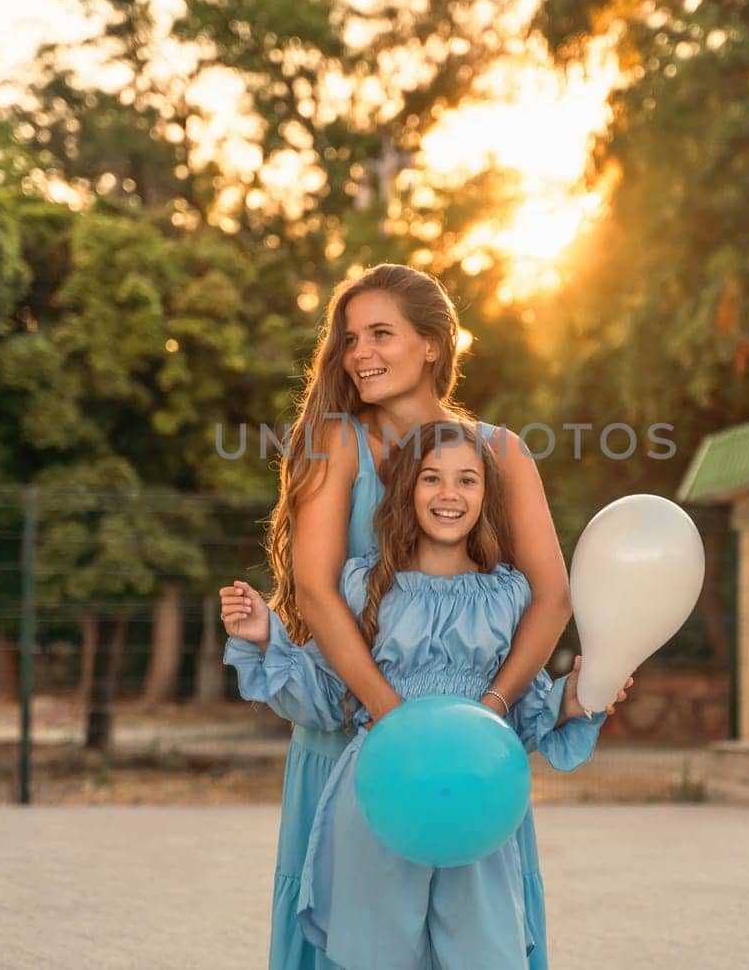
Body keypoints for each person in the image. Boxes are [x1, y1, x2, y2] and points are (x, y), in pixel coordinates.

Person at [218, 264, 580, 969]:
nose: (359, 353)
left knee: (477, 931)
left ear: (434, 344)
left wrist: (490, 710)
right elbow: (318, 594)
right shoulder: (335, 442)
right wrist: (395, 720)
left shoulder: (500, 453)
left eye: (380, 333)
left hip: (469, 751)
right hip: (351, 731)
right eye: (350, 338)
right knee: (360, 936)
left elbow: (551, 596)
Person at [225, 421, 626, 968]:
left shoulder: (507, 595)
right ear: (407, 490)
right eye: (432, 478)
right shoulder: (365, 586)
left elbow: (522, 712)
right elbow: (327, 694)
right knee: (376, 951)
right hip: (381, 794)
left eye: (467, 480)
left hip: (475, 799)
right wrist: (265, 637)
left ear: (486, 496)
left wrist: (575, 698)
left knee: (480, 950)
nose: (449, 495)